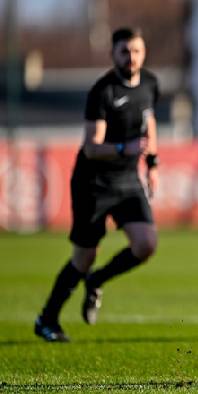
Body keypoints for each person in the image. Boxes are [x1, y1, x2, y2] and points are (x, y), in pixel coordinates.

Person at [34, 27, 159, 342]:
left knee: (146, 244)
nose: (131, 58)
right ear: (113, 54)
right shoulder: (102, 92)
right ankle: (47, 319)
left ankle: (97, 281)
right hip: (94, 181)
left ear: (143, 53)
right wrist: (122, 149)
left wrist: (152, 164)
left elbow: (149, 122)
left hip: (128, 178)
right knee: (84, 256)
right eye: (124, 52)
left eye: (136, 51)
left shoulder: (149, 83)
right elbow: (92, 146)